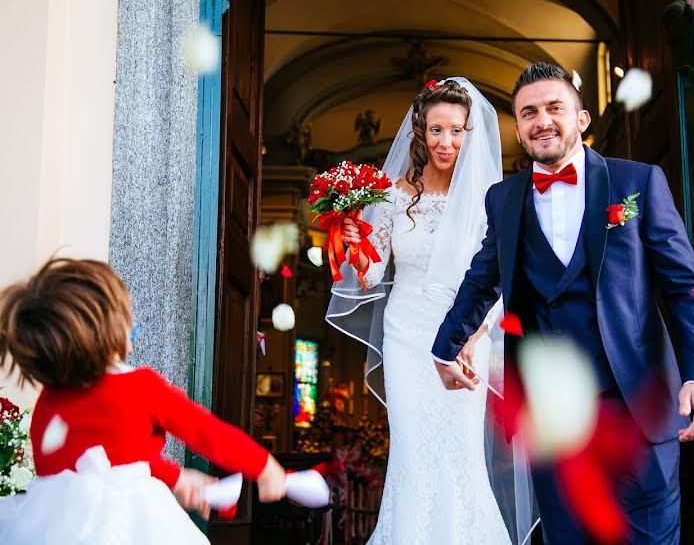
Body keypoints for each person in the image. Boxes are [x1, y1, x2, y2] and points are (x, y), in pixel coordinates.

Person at [432, 63, 694, 544]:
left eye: (553, 108)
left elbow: (683, 288)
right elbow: (483, 279)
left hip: (637, 404)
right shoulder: (503, 199)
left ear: (581, 119)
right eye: (528, 113)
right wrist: (445, 349)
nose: (541, 120)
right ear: (519, 129)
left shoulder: (638, 183)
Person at [327, 78, 535, 544]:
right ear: (420, 133)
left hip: (467, 335)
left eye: (456, 131)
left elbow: (503, 278)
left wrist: (473, 337)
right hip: (405, 338)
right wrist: (355, 245)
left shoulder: (491, 200)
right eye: (436, 130)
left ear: (470, 133)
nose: (446, 142)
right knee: (412, 452)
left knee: (460, 451)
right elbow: (373, 274)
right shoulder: (393, 195)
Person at [0, 258, 287, 544]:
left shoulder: (48, 405)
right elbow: (208, 433)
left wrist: (177, 478)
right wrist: (263, 466)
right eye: (128, 316)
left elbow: (109, 461)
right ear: (109, 326)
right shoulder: (139, 387)